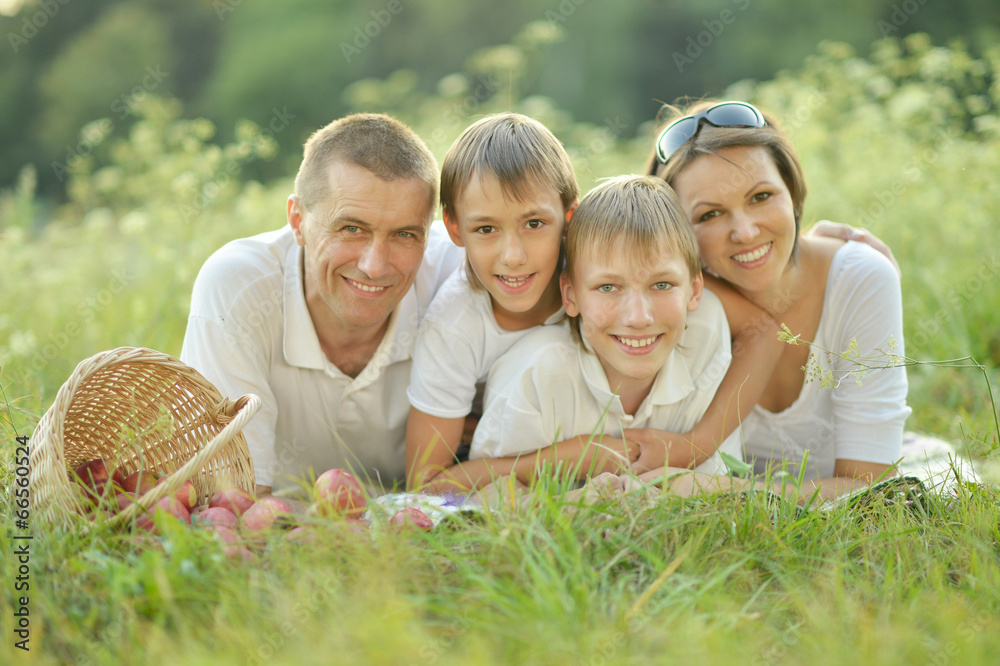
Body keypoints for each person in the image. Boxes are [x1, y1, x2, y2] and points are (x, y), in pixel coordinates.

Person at [406, 114, 781, 492]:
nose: (514, 256)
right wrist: (571, 456)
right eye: (486, 229)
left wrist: (699, 442)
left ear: (568, 219)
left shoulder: (604, 260)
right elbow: (425, 485)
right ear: (455, 228)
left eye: (534, 223)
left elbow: (762, 329)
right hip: (489, 454)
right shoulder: (453, 328)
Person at [180, 113, 463, 504]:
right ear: (298, 221)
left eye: (404, 234)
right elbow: (234, 501)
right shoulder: (239, 288)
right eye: (352, 229)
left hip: (415, 524)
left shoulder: (457, 276)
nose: (374, 266)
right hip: (288, 527)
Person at [643, 100, 911, 501]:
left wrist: (722, 491)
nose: (746, 232)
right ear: (675, 233)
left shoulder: (860, 278)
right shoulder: (672, 301)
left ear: (793, 194)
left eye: (761, 196)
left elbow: (871, 487)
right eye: (710, 215)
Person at [467, 175, 743, 483]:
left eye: (662, 284)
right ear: (570, 294)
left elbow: (722, 482)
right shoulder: (538, 374)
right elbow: (478, 493)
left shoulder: (706, 332)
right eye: (608, 287)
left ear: (694, 290)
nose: (638, 317)